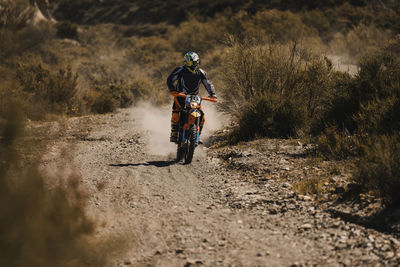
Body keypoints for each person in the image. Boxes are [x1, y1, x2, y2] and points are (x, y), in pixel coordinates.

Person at [167, 51, 217, 143]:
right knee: (175, 114)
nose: (191, 65)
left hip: (194, 97)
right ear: (185, 63)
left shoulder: (201, 72)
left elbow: (208, 83)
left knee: (202, 116)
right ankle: (174, 133)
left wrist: (212, 94)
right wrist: (172, 89)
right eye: (189, 63)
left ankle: (198, 134)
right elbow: (170, 79)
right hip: (180, 95)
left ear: (197, 62)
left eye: (193, 62)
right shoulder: (180, 70)